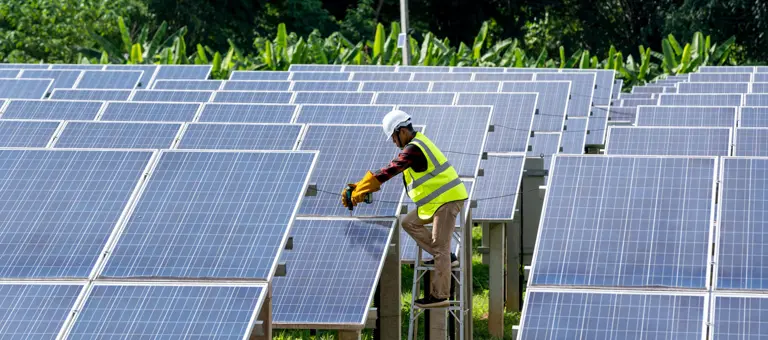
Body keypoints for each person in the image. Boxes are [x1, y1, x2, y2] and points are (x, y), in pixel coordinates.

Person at [342, 109, 468, 308]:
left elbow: (391, 169)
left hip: (448, 200)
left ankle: (440, 295)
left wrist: (364, 187)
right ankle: (443, 257)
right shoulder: (415, 144)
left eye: (393, 137)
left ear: (401, 131)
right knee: (408, 222)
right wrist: (360, 186)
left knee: (440, 245)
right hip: (435, 203)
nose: (393, 142)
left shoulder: (414, 149)